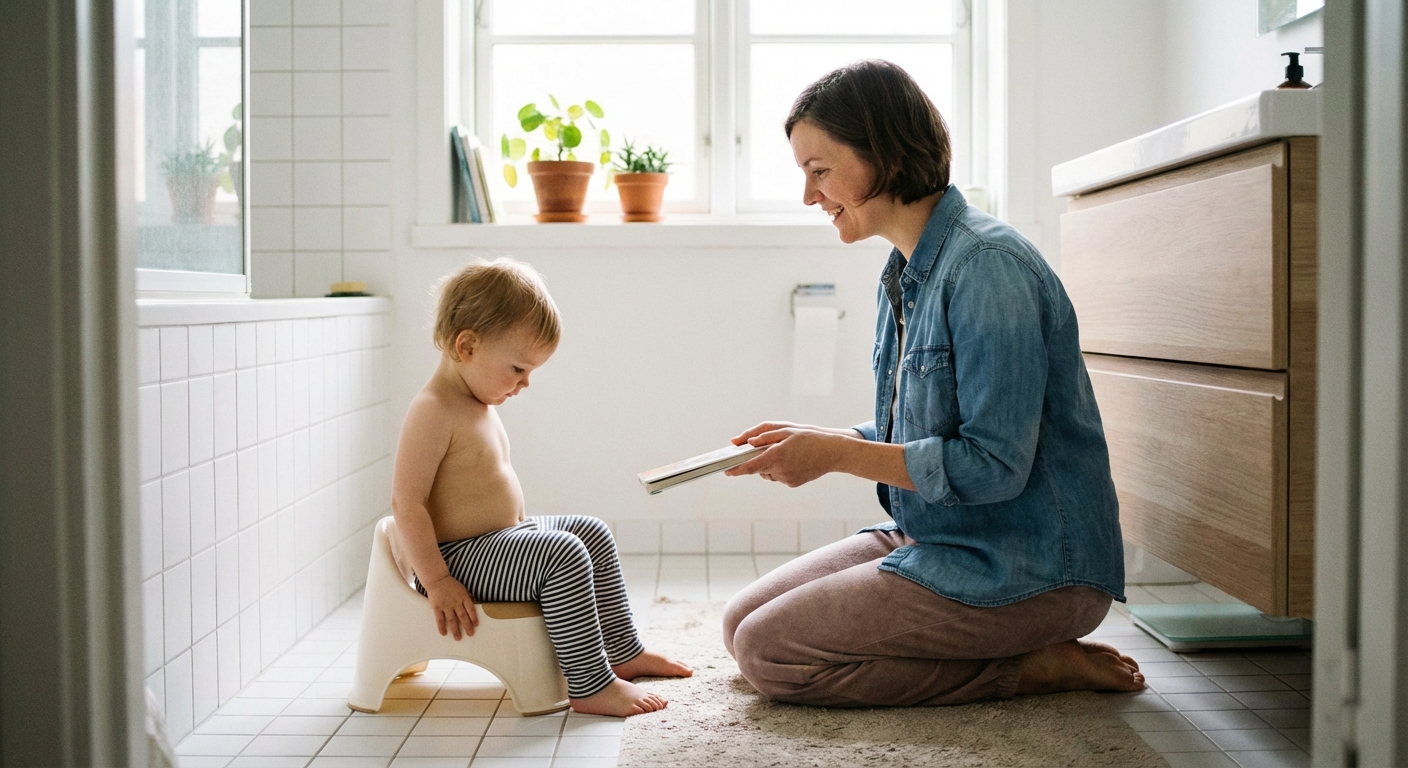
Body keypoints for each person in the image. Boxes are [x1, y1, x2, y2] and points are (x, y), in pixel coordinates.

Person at [720, 60, 1146, 707]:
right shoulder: (907, 273)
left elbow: (993, 467)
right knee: (739, 625)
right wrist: (817, 441)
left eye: (820, 170)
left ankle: (1034, 666)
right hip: (945, 535)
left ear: (882, 154)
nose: (810, 196)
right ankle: (1000, 650)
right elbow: (922, 435)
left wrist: (835, 454)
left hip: (1028, 568)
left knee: (770, 652)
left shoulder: (988, 270)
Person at [392, 258, 691, 717]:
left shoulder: (474, 401)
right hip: (459, 559)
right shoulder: (433, 410)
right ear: (467, 346)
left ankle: (622, 650)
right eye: (517, 368)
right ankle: (590, 686)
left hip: (498, 542)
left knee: (589, 532)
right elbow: (406, 503)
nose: (524, 383)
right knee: (562, 554)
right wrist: (436, 581)